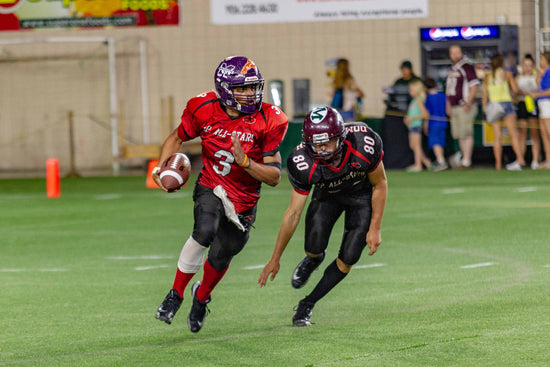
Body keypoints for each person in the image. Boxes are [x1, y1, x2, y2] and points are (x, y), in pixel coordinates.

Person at [153, 56, 289, 333]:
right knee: (204, 230)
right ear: (225, 88)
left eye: (253, 87)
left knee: (223, 253)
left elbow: (275, 177)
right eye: (243, 88)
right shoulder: (203, 108)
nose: (250, 94)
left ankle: (201, 296)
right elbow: (176, 137)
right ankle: (175, 294)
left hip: (245, 198)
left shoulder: (268, 119)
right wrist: (160, 168)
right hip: (212, 184)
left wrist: (246, 163)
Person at [258, 106, 387, 327]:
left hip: (360, 197)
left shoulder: (363, 144)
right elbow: (293, 213)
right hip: (327, 195)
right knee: (313, 246)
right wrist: (275, 257)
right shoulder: (302, 161)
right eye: (315, 144)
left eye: (326, 142)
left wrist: (375, 227)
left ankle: (307, 303)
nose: (321, 149)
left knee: (348, 259)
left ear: (341, 137)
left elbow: (380, 183)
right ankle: (313, 259)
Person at [481, 53, 525, 170]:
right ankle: (520, 158)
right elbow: (515, 90)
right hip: (507, 104)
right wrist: (513, 97)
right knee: (513, 134)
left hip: (494, 105)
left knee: (497, 137)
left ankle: (498, 164)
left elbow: (485, 96)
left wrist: (484, 109)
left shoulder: (487, 77)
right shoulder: (507, 74)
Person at [445, 45, 479, 169]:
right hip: (454, 106)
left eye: (457, 53)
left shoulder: (467, 67)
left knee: (466, 132)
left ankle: (466, 160)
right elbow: (449, 90)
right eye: (452, 53)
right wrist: (448, 105)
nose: (455, 56)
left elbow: (473, 86)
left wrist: (468, 102)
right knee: (459, 134)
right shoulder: (452, 70)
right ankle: (463, 157)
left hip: (464, 105)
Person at [515, 54, 541, 169]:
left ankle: (535, 161)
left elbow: (541, 90)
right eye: (525, 65)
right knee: (522, 134)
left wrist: (532, 94)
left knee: (534, 133)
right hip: (522, 104)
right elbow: (514, 93)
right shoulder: (518, 78)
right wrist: (521, 92)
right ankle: (521, 160)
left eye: (530, 65)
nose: (527, 68)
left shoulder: (536, 77)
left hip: (532, 104)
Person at [403, 80, 431, 172]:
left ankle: (418, 165)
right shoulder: (414, 101)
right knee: (413, 146)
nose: (410, 92)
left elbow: (425, 114)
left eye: (411, 90)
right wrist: (408, 119)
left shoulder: (419, 101)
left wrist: (413, 118)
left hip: (416, 126)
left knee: (417, 146)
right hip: (412, 126)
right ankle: (427, 163)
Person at [530, 51, 550, 169]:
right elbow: (541, 87)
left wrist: (536, 95)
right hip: (542, 104)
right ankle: (548, 160)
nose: (540, 61)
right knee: (543, 134)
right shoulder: (544, 73)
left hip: (547, 103)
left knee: (548, 132)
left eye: (542, 59)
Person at [423, 78, 449, 171]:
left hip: (433, 124)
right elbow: (448, 109)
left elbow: (427, 113)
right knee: (440, 142)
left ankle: (441, 161)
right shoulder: (442, 95)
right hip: (443, 122)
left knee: (435, 143)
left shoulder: (429, 98)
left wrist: (425, 126)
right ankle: (441, 160)